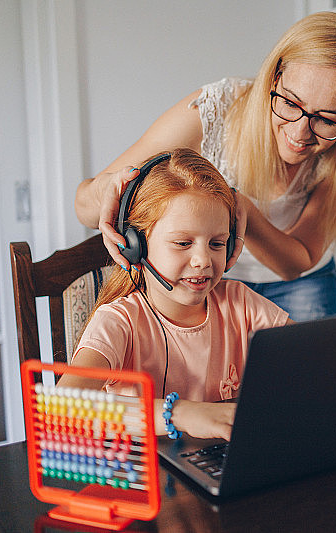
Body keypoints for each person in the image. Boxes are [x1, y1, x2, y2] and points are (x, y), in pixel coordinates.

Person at [75, 12, 336, 321]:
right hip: (206, 278)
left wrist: (243, 211)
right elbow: (83, 204)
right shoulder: (211, 112)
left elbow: (297, 262)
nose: (299, 133)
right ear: (275, 76)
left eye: (327, 119)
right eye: (291, 103)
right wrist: (110, 189)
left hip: (303, 284)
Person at [58, 148, 291, 441]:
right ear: (134, 246)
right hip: (143, 475)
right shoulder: (119, 322)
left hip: (218, 467)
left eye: (217, 243)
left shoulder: (239, 303)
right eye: (182, 243)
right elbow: (63, 409)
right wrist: (179, 414)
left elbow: (316, 359)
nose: (203, 260)